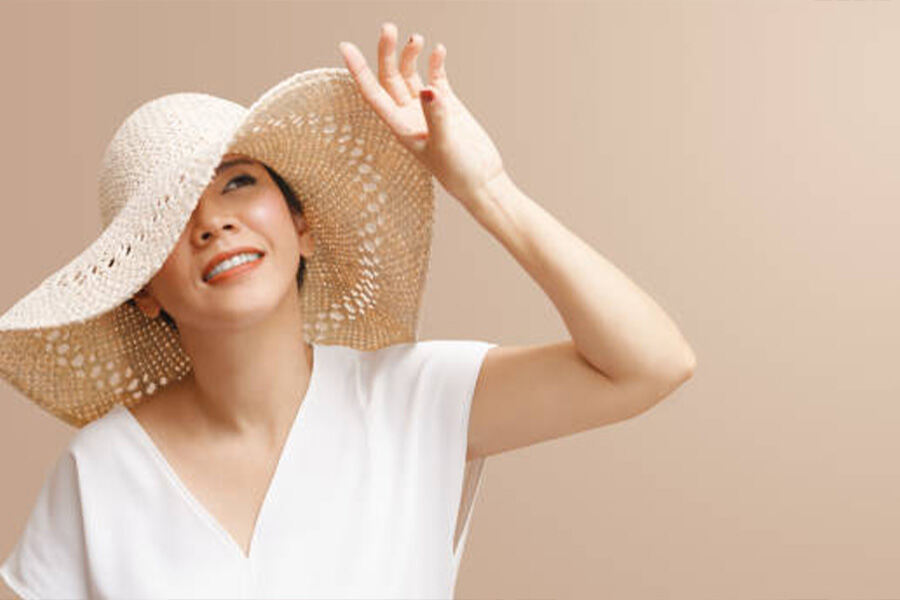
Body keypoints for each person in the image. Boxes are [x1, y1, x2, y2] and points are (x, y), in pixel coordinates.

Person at [0, 22, 695, 600]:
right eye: (167, 216)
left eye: (238, 183)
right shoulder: (100, 472)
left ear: (302, 227)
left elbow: (651, 365)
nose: (212, 223)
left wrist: (487, 189)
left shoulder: (412, 399)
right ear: (143, 291)